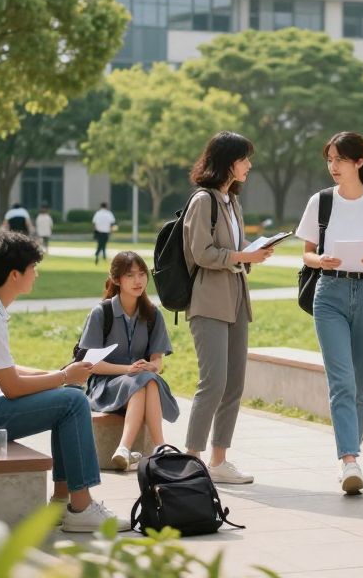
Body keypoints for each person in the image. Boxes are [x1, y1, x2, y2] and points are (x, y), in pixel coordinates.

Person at [0, 230, 128, 533]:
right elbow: (12, 388)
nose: (36, 274)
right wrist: (64, 378)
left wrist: (57, 373)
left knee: (66, 397)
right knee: (73, 401)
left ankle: (62, 503)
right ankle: (81, 507)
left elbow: (5, 369)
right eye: (32, 268)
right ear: (14, 275)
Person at [297, 131, 363, 494]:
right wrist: (320, 259)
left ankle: (353, 454)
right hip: (329, 293)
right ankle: (349, 459)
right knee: (341, 381)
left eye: (339, 159)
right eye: (329, 159)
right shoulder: (321, 202)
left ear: (359, 162)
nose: (332, 166)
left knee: (361, 384)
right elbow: (307, 253)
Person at [183, 131, 273, 486]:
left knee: (234, 383)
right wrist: (242, 256)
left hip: (236, 298)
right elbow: (202, 252)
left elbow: (234, 246)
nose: (249, 165)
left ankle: (219, 460)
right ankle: (191, 458)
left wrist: (257, 250)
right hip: (208, 301)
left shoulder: (231, 201)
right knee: (213, 382)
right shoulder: (202, 201)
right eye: (244, 158)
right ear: (227, 162)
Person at [79, 250, 178, 470]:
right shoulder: (100, 313)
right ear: (116, 279)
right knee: (144, 380)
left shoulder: (153, 314)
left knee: (147, 380)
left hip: (138, 383)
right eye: (130, 275)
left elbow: (157, 360)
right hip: (103, 386)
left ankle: (127, 448)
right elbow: (91, 365)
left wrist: (152, 366)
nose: (138, 281)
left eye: (142, 274)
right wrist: (129, 369)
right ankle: (159, 447)